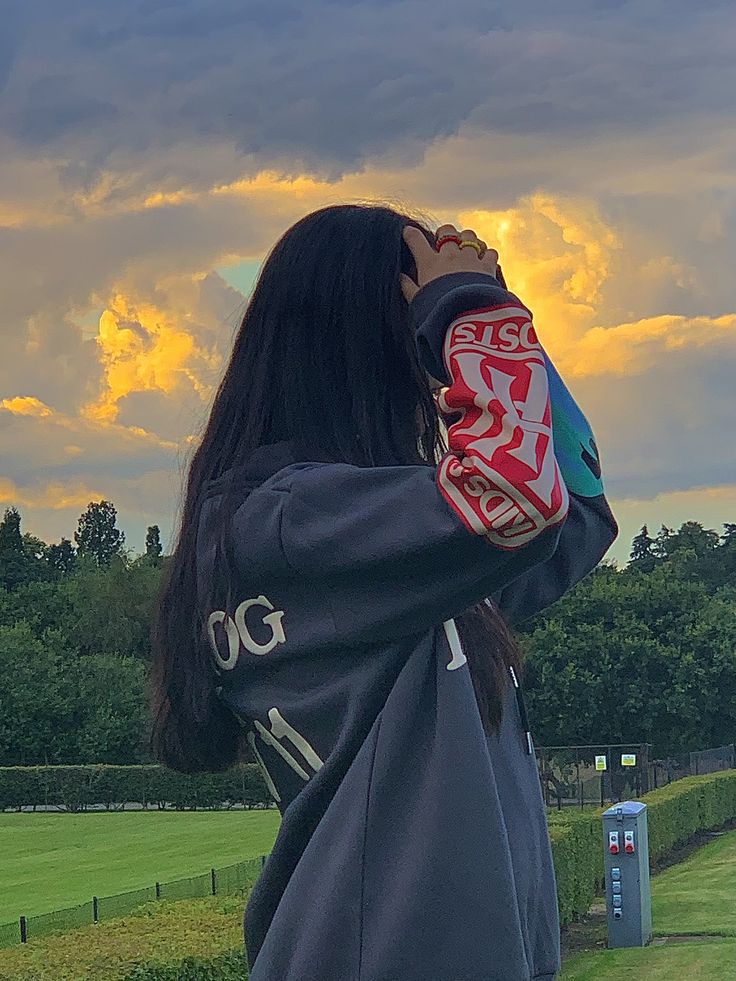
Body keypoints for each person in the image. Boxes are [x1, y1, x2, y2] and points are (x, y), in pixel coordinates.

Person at [149, 203, 618, 981]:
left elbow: (576, 508)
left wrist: (499, 325)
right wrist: (471, 312)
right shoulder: (290, 523)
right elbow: (520, 494)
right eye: (420, 336)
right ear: (370, 347)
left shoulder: (364, 546)